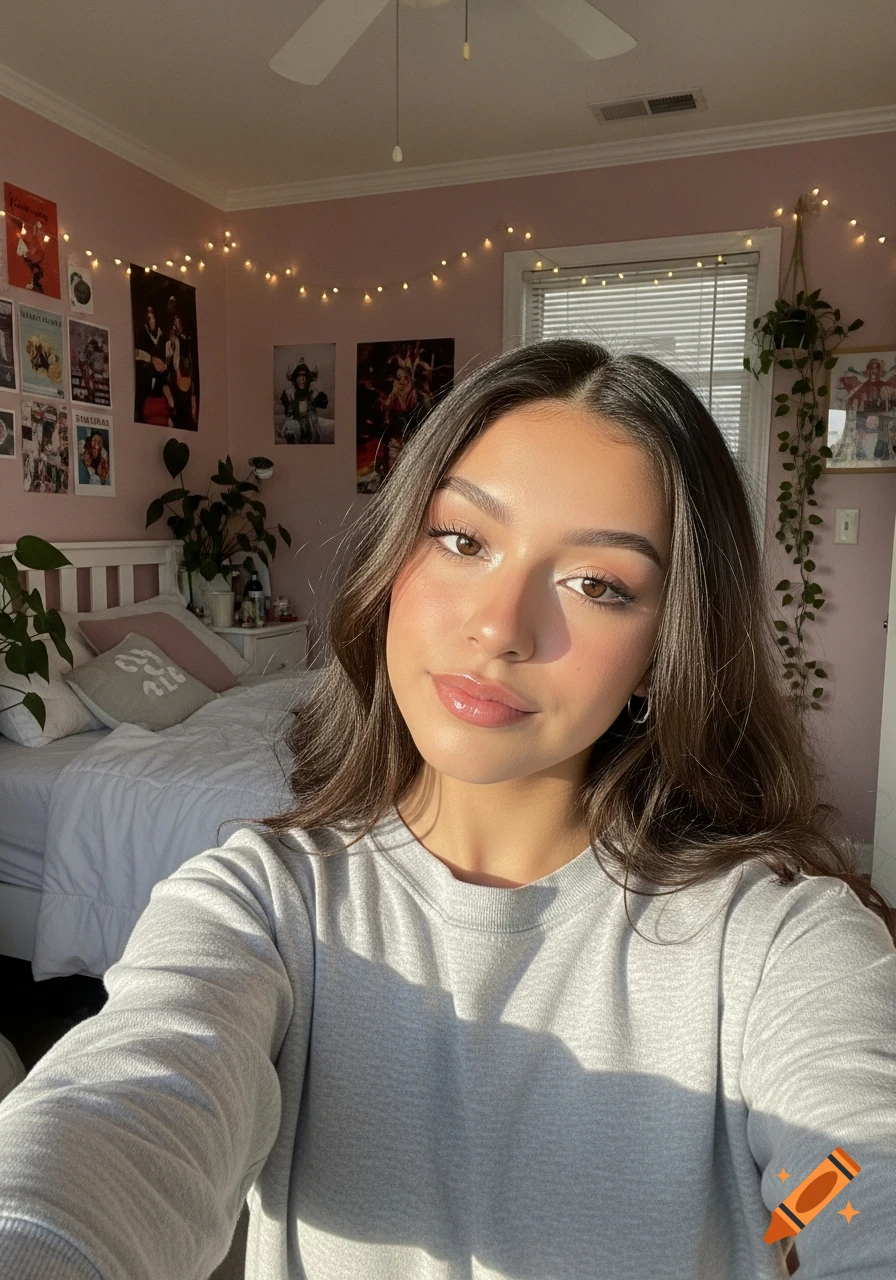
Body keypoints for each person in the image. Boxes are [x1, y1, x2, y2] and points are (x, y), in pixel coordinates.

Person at [0, 338, 894, 1280]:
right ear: (395, 557)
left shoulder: (778, 942)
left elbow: (854, 1172)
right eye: (463, 540)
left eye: (597, 585)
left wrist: (797, 1218)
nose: (499, 627)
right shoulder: (260, 905)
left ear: (663, 651)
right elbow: (118, 1118)